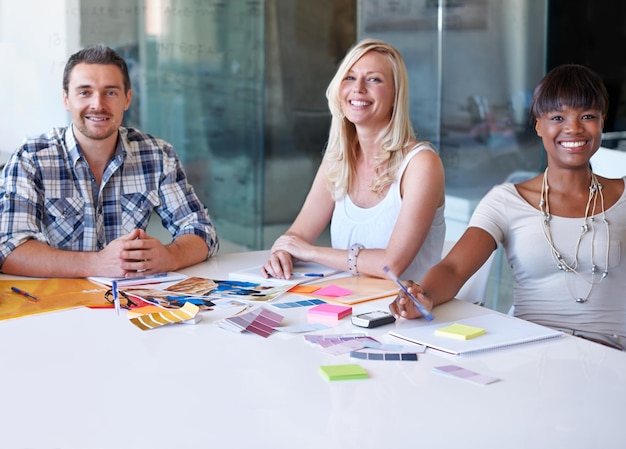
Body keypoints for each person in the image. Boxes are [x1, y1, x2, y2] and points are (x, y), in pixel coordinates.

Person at [390, 64, 626, 350]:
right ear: (538, 125)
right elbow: (452, 269)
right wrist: (423, 295)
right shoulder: (506, 200)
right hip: (531, 352)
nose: (573, 127)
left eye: (587, 116)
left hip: (609, 356)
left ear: (602, 122)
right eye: (558, 117)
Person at [0, 45, 219, 278]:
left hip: (129, 302)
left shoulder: (157, 155)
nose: (98, 104)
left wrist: (171, 256)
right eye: (85, 92)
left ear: (127, 99)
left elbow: (202, 230)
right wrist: (97, 264)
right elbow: (8, 248)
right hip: (57, 303)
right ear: (66, 99)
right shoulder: (30, 159)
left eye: (110, 92)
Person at [262, 38, 446, 281]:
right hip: (346, 307)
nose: (358, 88)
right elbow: (296, 237)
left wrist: (310, 252)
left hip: (407, 315)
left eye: (374, 79)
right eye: (349, 77)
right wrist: (282, 254)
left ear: (395, 96)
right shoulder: (338, 159)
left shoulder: (421, 165)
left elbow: (390, 266)